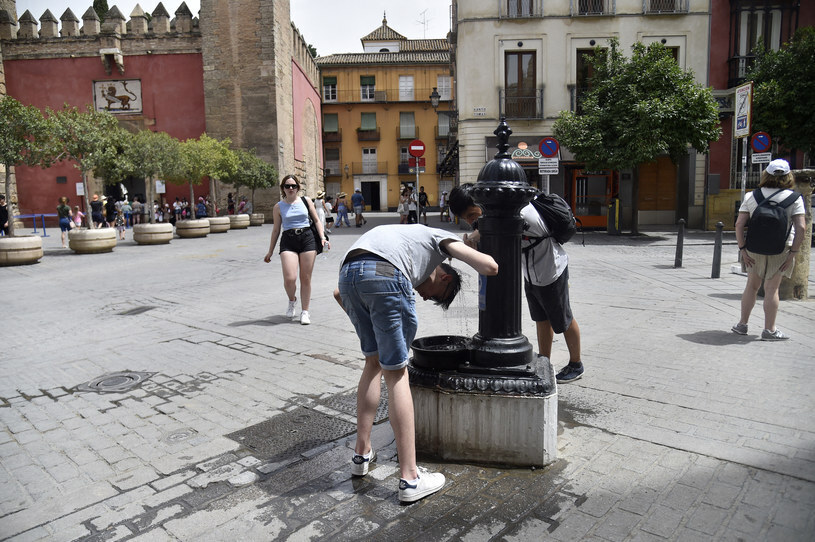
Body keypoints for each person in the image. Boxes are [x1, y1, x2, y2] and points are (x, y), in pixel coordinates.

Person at [334, 224, 498, 502]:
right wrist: (488, 255)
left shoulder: (407, 241)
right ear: (444, 277)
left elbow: (339, 295)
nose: (424, 296)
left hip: (347, 275)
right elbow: (490, 267)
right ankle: (410, 479)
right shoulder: (436, 237)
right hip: (385, 274)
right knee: (397, 375)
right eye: (435, 295)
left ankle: (361, 455)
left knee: (372, 363)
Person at [449, 184, 584, 383]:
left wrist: (478, 236)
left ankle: (576, 364)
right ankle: (544, 361)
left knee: (562, 319)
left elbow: (503, 228)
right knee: (541, 317)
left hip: (551, 269)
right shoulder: (495, 215)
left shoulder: (520, 212)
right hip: (531, 272)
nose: (470, 221)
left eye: (471, 214)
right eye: (466, 218)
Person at [732, 159, 806, 341]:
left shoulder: (752, 196)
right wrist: (793, 254)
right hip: (781, 249)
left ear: (766, 174)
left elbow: (739, 224)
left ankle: (742, 325)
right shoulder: (795, 198)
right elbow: (801, 228)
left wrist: (743, 249)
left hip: (754, 249)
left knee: (751, 286)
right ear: (789, 176)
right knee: (772, 289)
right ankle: (769, 330)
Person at [263, 174, 329, 325]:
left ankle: (305, 311)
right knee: (290, 278)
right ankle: (292, 300)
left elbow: (317, 220)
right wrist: (270, 251)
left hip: (307, 238)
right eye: (287, 186)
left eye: (294, 186)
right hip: (288, 240)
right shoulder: (278, 207)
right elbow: (275, 230)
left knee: (305, 278)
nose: (291, 188)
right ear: (283, 189)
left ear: (298, 188)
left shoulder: (306, 201)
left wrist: (322, 237)